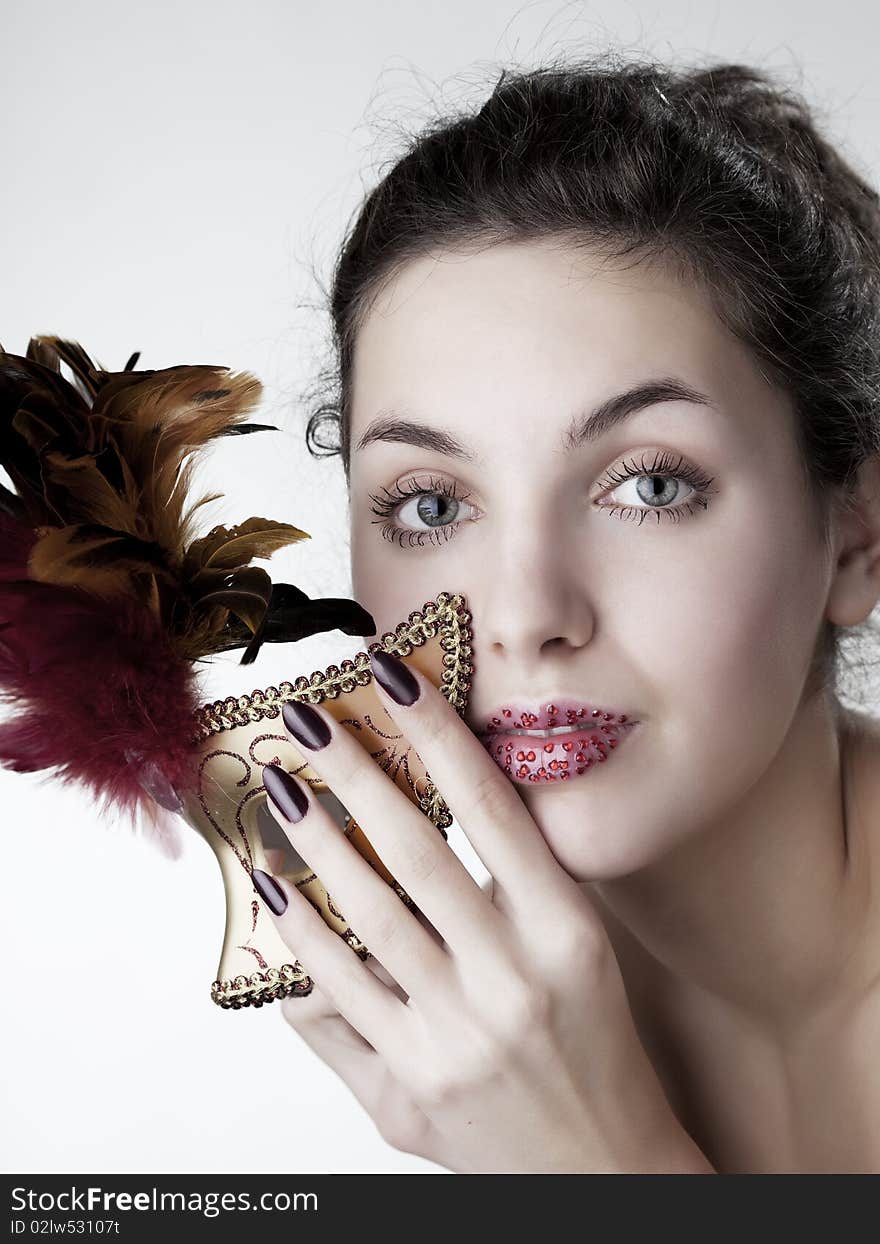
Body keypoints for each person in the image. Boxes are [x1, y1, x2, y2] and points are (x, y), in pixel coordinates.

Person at [255, 52, 880, 1173]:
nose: (524, 613)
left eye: (648, 484)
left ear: (855, 530)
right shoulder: (462, 1051)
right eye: (433, 503)